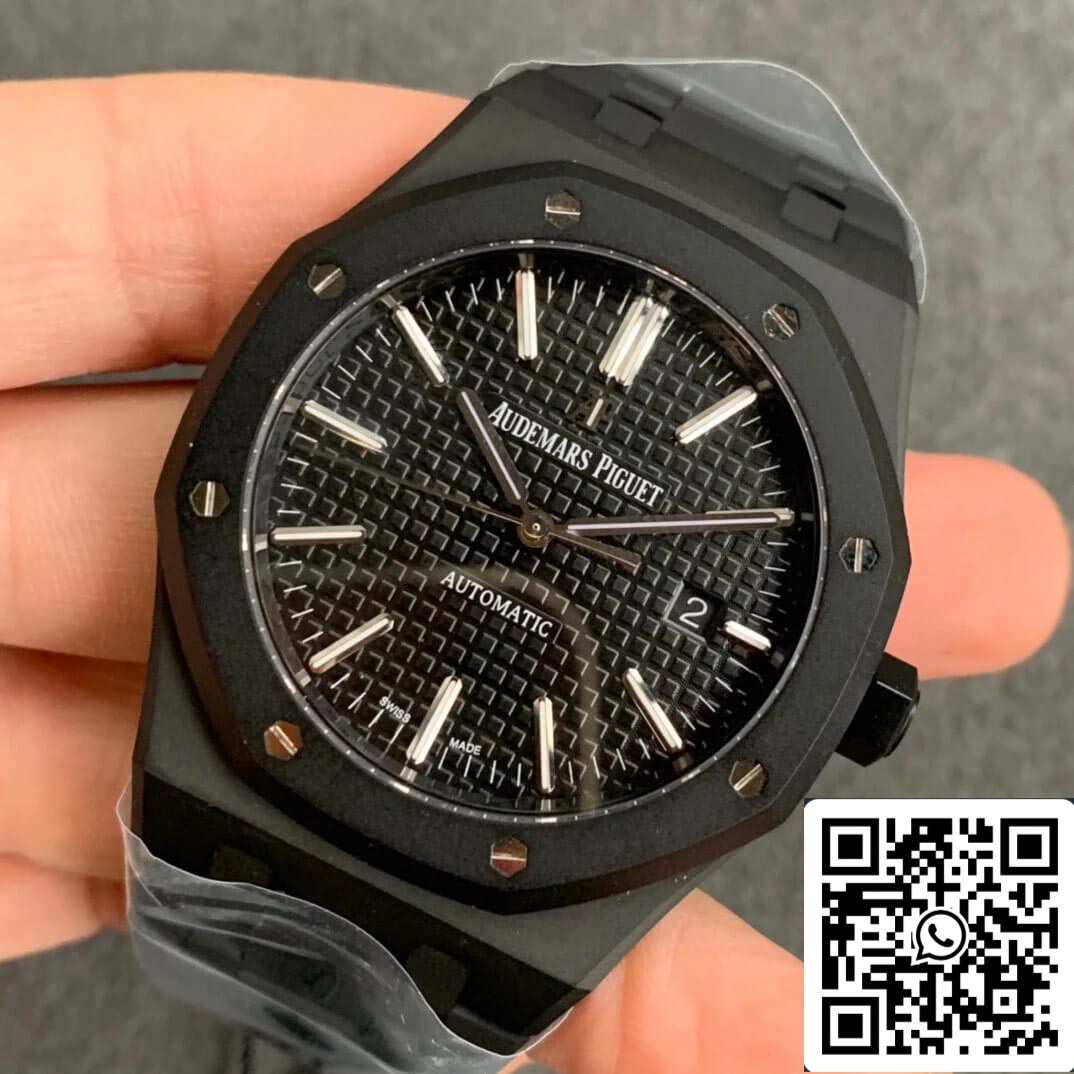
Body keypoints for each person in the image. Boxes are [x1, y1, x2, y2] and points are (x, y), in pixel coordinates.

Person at [0, 73, 1068, 1074]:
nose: (537, 534)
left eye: (547, 533)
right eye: (533, 524)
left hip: (451, 875)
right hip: (244, 761)